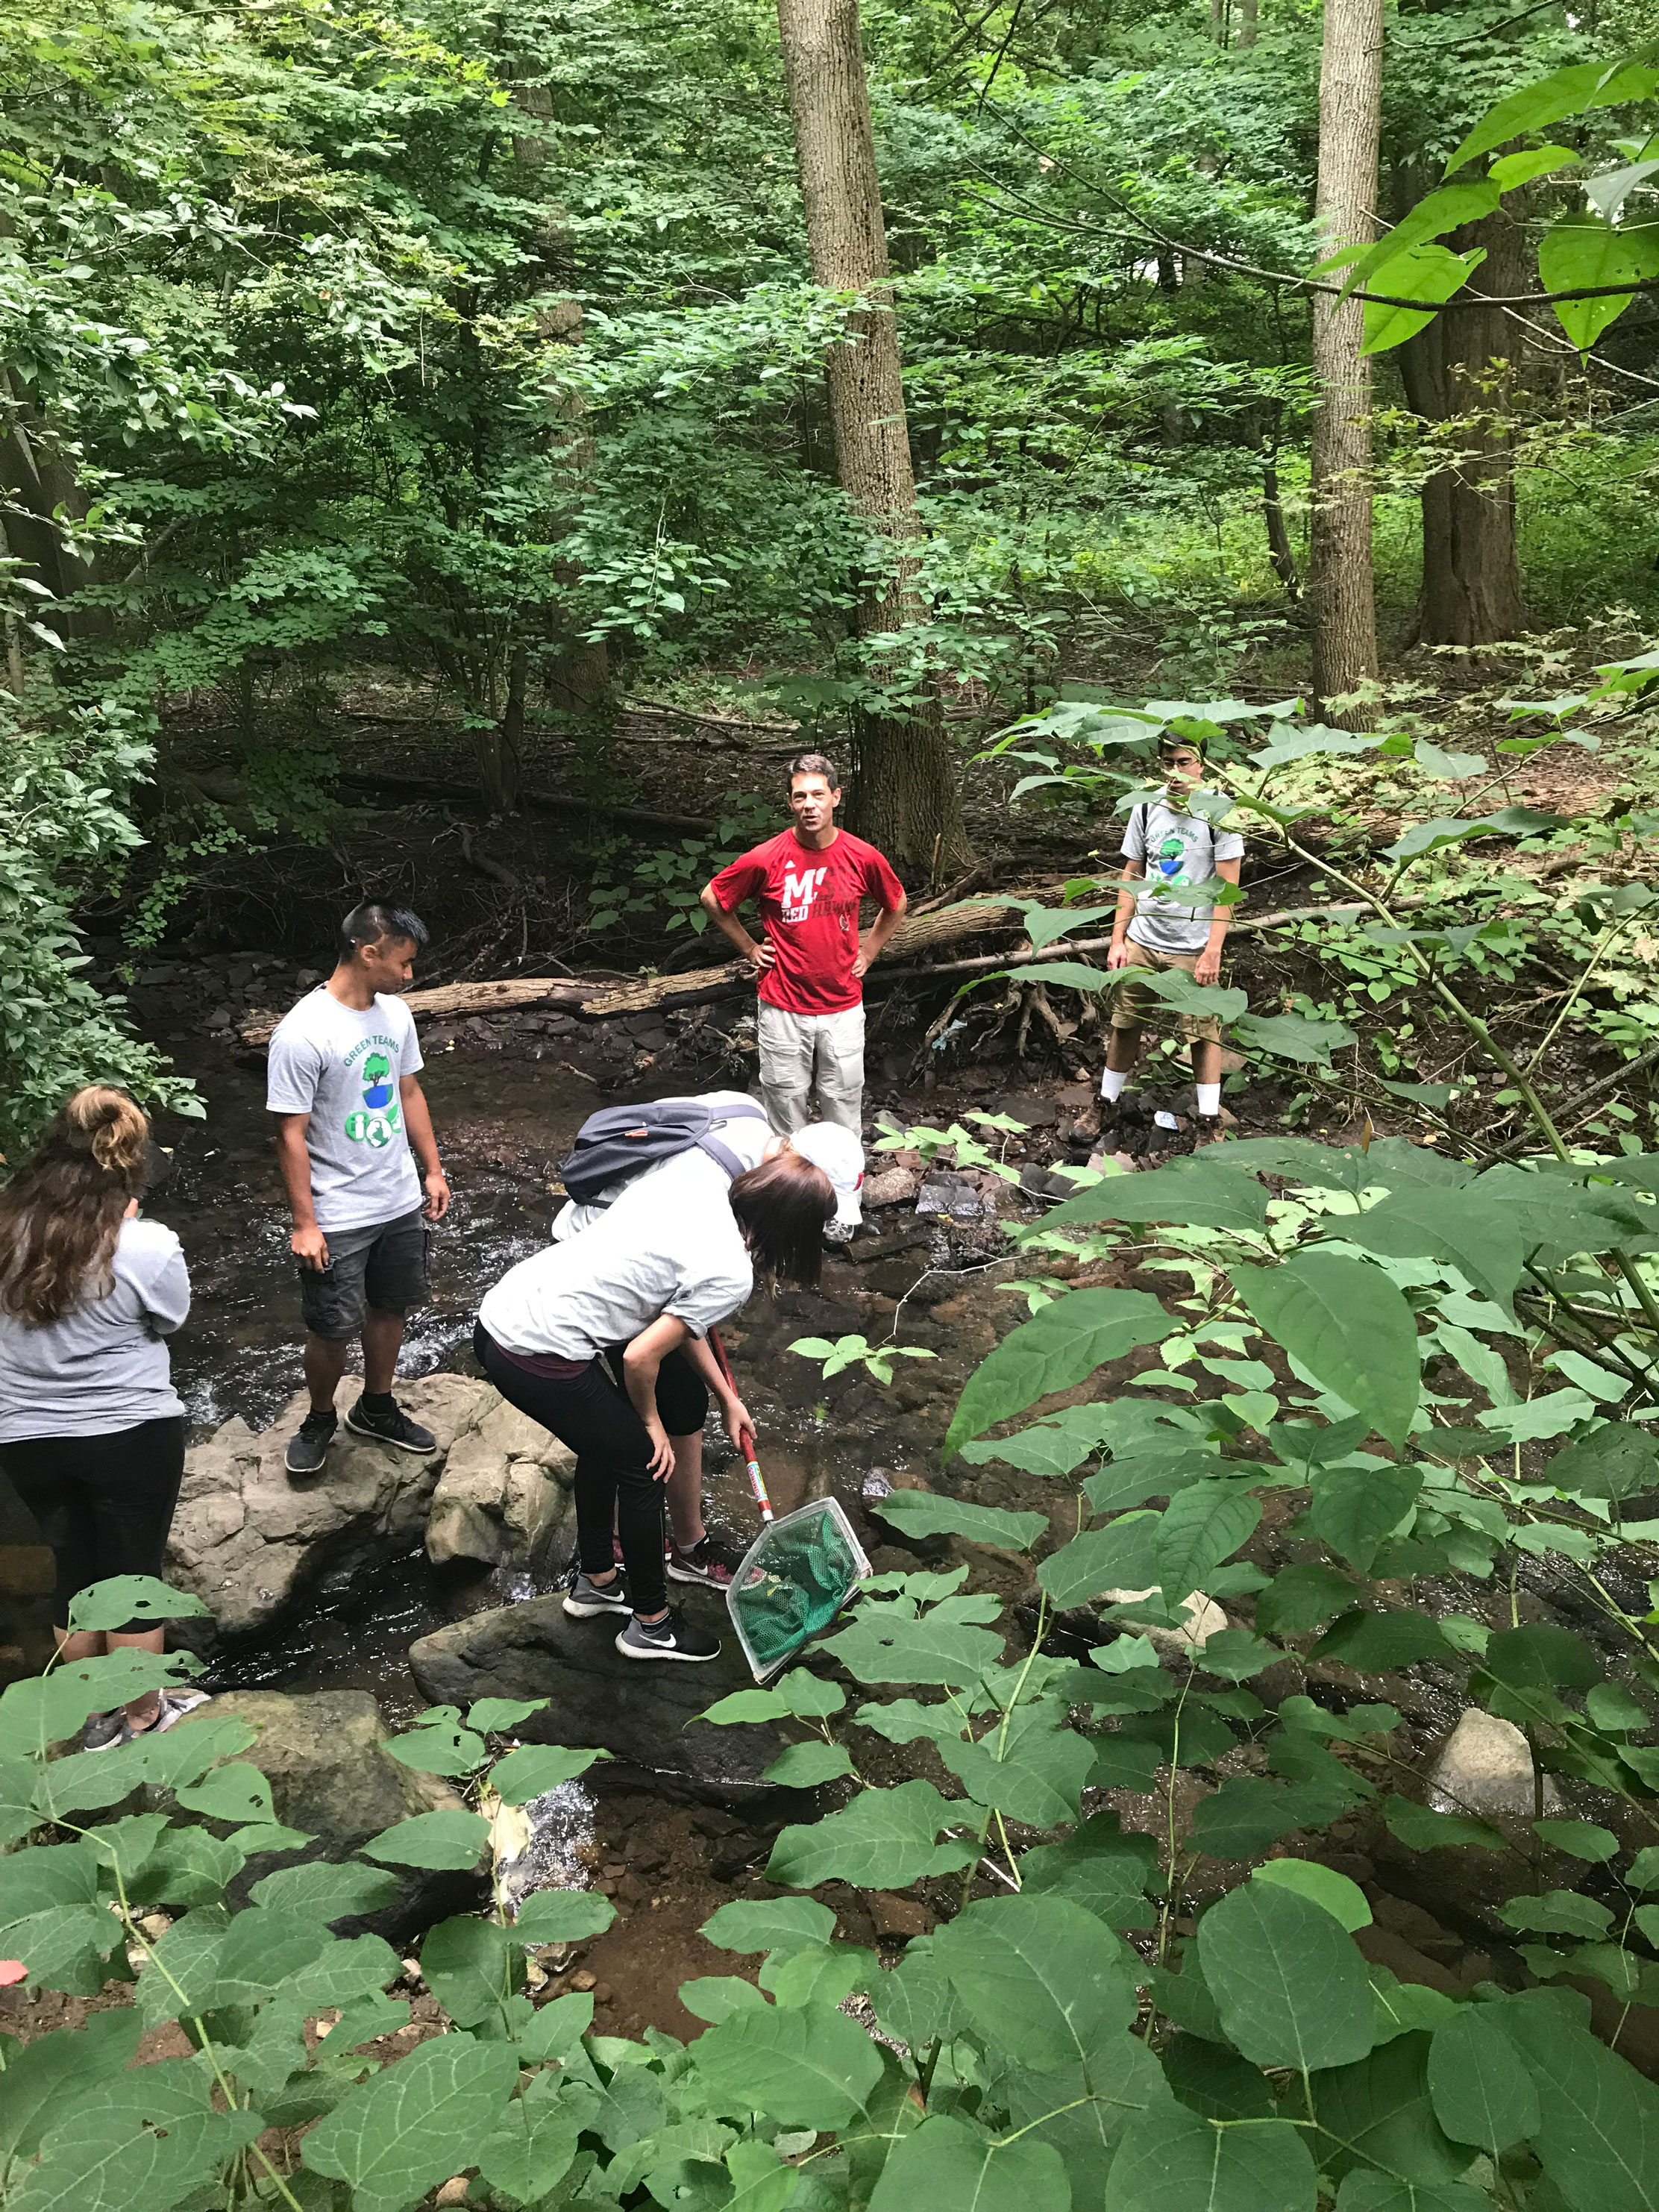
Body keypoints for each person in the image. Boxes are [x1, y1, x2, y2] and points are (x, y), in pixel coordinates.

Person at [474, 1142, 835, 1662]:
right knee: (643, 1463)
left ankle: (597, 1583)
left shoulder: (700, 1188)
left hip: (504, 1313)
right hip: (537, 1348)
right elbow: (642, 1357)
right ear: (793, 1229)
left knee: (604, 1445)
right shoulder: (732, 1271)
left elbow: (682, 1319)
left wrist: (726, 1397)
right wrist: (651, 1422)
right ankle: (652, 1626)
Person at [550, 1089, 865, 1584]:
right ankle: (616, 1552)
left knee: (684, 1398)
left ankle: (685, 1543)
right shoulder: (711, 1194)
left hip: (646, 1247)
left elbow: (688, 1301)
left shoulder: (750, 1120)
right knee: (637, 1416)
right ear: (798, 1173)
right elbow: (652, 1337)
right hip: (600, 1256)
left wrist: (727, 1397)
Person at [0, 1087, 205, 1747]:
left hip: (25, 1434)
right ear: (130, 1166)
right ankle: (145, 1714)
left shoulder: (5, 1233)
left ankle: (91, 1721)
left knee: (74, 1567)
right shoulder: (143, 1244)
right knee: (134, 1577)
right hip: (128, 1432)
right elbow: (171, 1317)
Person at [267, 900, 451, 1477]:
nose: (409, 974)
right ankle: (320, 1416)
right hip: (338, 1209)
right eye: (404, 962)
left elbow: (410, 1092)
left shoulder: (395, 1016)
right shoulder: (302, 1033)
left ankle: (376, 1406)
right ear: (368, 951)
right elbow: (289, 1135)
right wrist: (305, 1222)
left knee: (390, 1307)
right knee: (330, 1327)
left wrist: (433, 1168)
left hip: (396, 1197)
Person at [699, 753, 905, 1232]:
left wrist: (870, 951)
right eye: (799, 796)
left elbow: (895, 903)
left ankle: (842, 1210)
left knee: (842, 1111)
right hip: (781, 1005)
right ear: (790, 803)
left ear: (836, 798)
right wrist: (750, 947)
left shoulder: (860, 854)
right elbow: (714, 897)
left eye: (818, 795)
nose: (809, 805)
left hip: (842, 1006)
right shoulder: (767, 857)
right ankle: (788, 1208)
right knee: (784, 1112)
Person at [1098, 732, 1244, 1150]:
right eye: (1168, 763)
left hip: (1193, 942)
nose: (1175, 773)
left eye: (1184, 763)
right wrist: (1118, 938)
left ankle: (1210, 1120)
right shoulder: (1146, 806)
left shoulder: (1221, 812)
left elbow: (1227, 886)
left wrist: (1212, 949)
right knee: (1124, 1022)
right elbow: (1131, 875)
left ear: (1202, 764)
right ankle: (1106, 1102)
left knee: (1203, 1033)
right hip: (1144, 935)